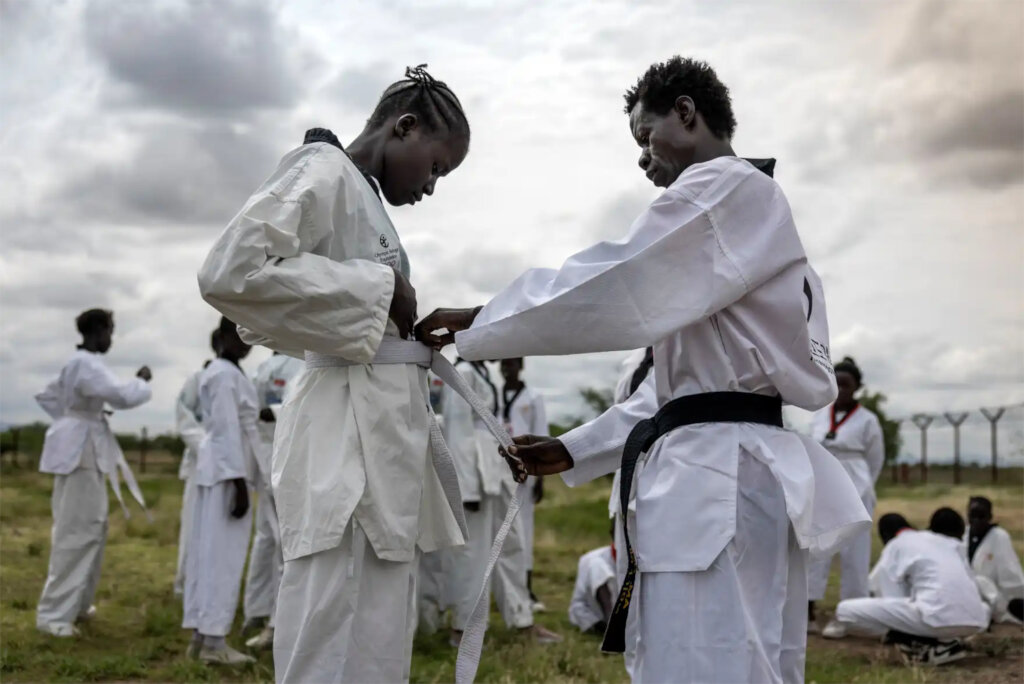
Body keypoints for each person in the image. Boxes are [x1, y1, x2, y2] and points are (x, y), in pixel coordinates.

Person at [416, 56, 870, 684]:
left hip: (720, 475)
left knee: (710, 659)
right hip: (724, 466)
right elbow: (666, 390)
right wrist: (574, 449)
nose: (642, 159)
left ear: (685, 113)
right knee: (725, 655)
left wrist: (483, 317)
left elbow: (620, 279)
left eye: (643, 136)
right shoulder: (738, 228)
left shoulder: (726, 191)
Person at [198, 66, 472, 683]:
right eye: (434, 166)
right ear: (404, 127)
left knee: (375, 630)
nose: (432, 186)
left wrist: (394, 320)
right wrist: (379, 291)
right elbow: (231, 273)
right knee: (332, 622)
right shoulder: (322, 168)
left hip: (382, 443)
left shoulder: (365, 199)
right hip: (343, 445)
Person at [35, 308, 152, 637]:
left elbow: (47, 394)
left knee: (91, 528)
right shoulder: (86, 363)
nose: (111, 338)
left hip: (82, 449)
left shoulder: (77, 364)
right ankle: (53, 616)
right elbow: (123, 395)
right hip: (80, 454)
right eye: (110, 331)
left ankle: (76, 605)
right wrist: (142, 381)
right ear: (98, 330)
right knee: (77, 532)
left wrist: (75, 418)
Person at [442, 359, 561, 646]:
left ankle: (522, 619)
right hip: (474, 478)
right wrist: (466, 489)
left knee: (511, 545)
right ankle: (462, 628)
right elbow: (457, 432)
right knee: (473, 554)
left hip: (495, 473)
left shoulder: (484, 375)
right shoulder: (464, 373)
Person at [183, 316, 261, 665]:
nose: (247, 341)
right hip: (228, 474)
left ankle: (203, 636)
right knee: (223, 556)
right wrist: (240, 483)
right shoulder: (225, 375)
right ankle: (213, 642)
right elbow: (228, 430)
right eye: (241, 333)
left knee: (209, 553)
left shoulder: (220, 372)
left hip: (219, 470)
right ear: (223, 337)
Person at [833, 511, 990, 666]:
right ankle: (948, 641)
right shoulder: (944, 541)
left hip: (937, 621)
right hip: (976, 620)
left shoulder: (895, 545)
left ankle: (928, 646)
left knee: (845, 611)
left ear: (885, 536)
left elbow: (891, 598)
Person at [808, 356, 885, 637]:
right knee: (816, 543)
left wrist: (864, 485)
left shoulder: (868, 420)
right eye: (836, 383)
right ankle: (808, 610)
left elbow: (876, 459)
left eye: (846, 384)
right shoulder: (818, 416)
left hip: (857, 485)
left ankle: (852, 613)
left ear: (857, 387)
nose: (840, 389)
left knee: (855, 550)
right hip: (822, 484)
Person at [242, 351, 304, 650]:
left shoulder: (302, 360)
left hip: (290, 458)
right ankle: (257, 611)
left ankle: (278, 624)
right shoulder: (263, 367)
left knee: (282, 544)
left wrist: (273, 411)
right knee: (267, 539)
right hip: (265, 460)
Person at [607, 347, 652, 677]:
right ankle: (636, 674)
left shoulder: (690, 343)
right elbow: (621, 419)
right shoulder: (633, 360)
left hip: (672, 473)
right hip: (629, 475)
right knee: (630, 588)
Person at [174, 329, 221, 597]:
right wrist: (207, 447)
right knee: (193, 525)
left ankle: (211, 586)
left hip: (226, 467)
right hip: (199, 461)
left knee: (218, 530)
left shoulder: (238, 379)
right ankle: (185, 584)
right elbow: (184, 417)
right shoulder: (197, 379)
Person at [499, 357, 549, 611]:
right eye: (503, 365)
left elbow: (541, 433)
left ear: (521, 366)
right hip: (497, 472)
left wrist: (540, 478)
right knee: (499, 531)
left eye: (511, 364)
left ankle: (526, 589)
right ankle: (502, 590)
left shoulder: (533, 397)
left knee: (523, 531)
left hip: (525, 473)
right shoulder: (493, 393)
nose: (507, 369)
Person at [965, 496, 1024, 623]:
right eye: (972, 516)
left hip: (993, 597)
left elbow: (1010, 574)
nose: (976, 521)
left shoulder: (999, 537)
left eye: (981, 517)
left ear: (990, 517)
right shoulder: (963, 534)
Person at [568, 525, 617, 635]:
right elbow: (578, 606)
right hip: (595, 617)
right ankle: (612, 629)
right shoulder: (592, 560)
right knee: (596, 566)